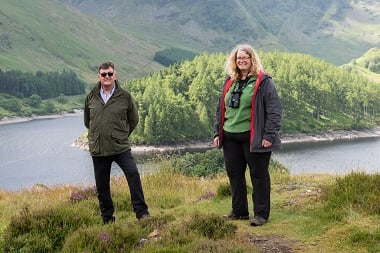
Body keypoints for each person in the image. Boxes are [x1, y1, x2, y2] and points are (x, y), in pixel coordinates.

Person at [213, 44, 282, 226]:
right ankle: (239, 211)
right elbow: (221, 108)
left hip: (255, 138)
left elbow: (274, 111)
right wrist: (217, 132)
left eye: (245, 57)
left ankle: (260, 214)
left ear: (252, 59)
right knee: (234, 175)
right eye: (238, 58)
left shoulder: (264, 81)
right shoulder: (230, 80)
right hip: (230, 137)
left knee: (259, 176)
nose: (241, 60)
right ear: (234, 61)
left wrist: (269, 136)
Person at [84, 61, 149, 224]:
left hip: (120, 147)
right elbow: (88, 122)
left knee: (133, 175)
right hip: (99, 149)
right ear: (99, 77)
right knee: (102, 187)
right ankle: (107, 218)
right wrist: (96, 136)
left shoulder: (125, 96)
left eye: (110, 74)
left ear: (115, 75)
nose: (107, 77)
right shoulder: (91, 97)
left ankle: (142, 213)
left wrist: (121, 135)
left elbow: (134, 119)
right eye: (104, 74)